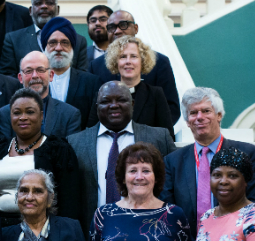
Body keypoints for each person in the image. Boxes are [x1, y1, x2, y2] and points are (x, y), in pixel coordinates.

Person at [67, 81, 175, 228]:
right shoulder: (74, 142)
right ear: (97, 107)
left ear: (132, 103)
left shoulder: (159, 137)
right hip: (94, 234)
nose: (114, 105)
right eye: (106, 101)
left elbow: (173, 185)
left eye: (121, 100)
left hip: (147, 231)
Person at [161, 87, 255, 239]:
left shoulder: (248, 154)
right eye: (193, 112)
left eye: (206, 111)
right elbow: (168, 211)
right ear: (187, 121)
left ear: (219, 115)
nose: (199, 117)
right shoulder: (172, 161)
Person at [0, 88, 83, 227]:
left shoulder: (58, 150)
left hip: (43, 230)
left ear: (42, 116)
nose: (23, 117)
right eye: (17, 113)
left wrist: (63, 235)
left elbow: (70, 201)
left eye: (30, 112)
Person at [89, 10, 180, 124]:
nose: (117, 31)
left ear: (135, 28)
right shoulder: (96, 65)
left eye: (123, 25)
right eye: (111, 27)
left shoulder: (160, 62)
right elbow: (94, 110)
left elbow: (171, 109)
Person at [86, 36, 173, 138]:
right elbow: (90, 134)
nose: (128, 61)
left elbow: (167, 136)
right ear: (115, 62)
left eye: (134, 56)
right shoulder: (102, 94)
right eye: (123, 57)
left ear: (143, 61)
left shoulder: (155, 94)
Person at [0, 51, 81, 140]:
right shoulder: (5, 114)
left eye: (40, 70)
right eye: (29, 71)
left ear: (51, 75)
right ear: (20, 78)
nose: (35, 76)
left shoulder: (69, 114)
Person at [0, 0, 89, 75]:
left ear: (57, 9)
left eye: (49, 3)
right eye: (38, 3)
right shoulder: (14, 40)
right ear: (30, 11)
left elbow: (82, 78)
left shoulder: (78, 41)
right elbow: (8, 77)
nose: (44, 6)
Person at [41, 16, 100, 127]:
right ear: (45, 47)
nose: (58, 48)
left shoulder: (91, 83)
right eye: (52, 43)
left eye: (64, 43)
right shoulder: (35, 81)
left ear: (72, 48)